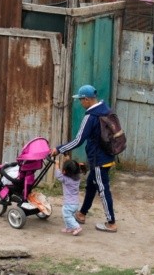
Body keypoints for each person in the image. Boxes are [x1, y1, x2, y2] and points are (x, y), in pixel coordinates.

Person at [50, 84, 117, 233]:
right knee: (92, 185)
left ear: (86, 99)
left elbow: (78, 140)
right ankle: (81, 214)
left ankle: (111, 222)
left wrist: (60, 149)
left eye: (81, 100)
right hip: (107, 155)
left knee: (103, 189)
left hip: (99, 160)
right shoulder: (106, 110)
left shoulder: (91, 116)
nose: (80, 103)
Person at [55, 157, 83, 236]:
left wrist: (56, 164)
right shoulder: (77, 178)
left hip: (69, 204)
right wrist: (67, 161)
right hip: (75, 203)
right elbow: (73, 169)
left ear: (66, 171)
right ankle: (69, 228)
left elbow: (58, 175)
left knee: (67, 216)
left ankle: (77, 227)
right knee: (70, 216)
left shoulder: (66, 179)